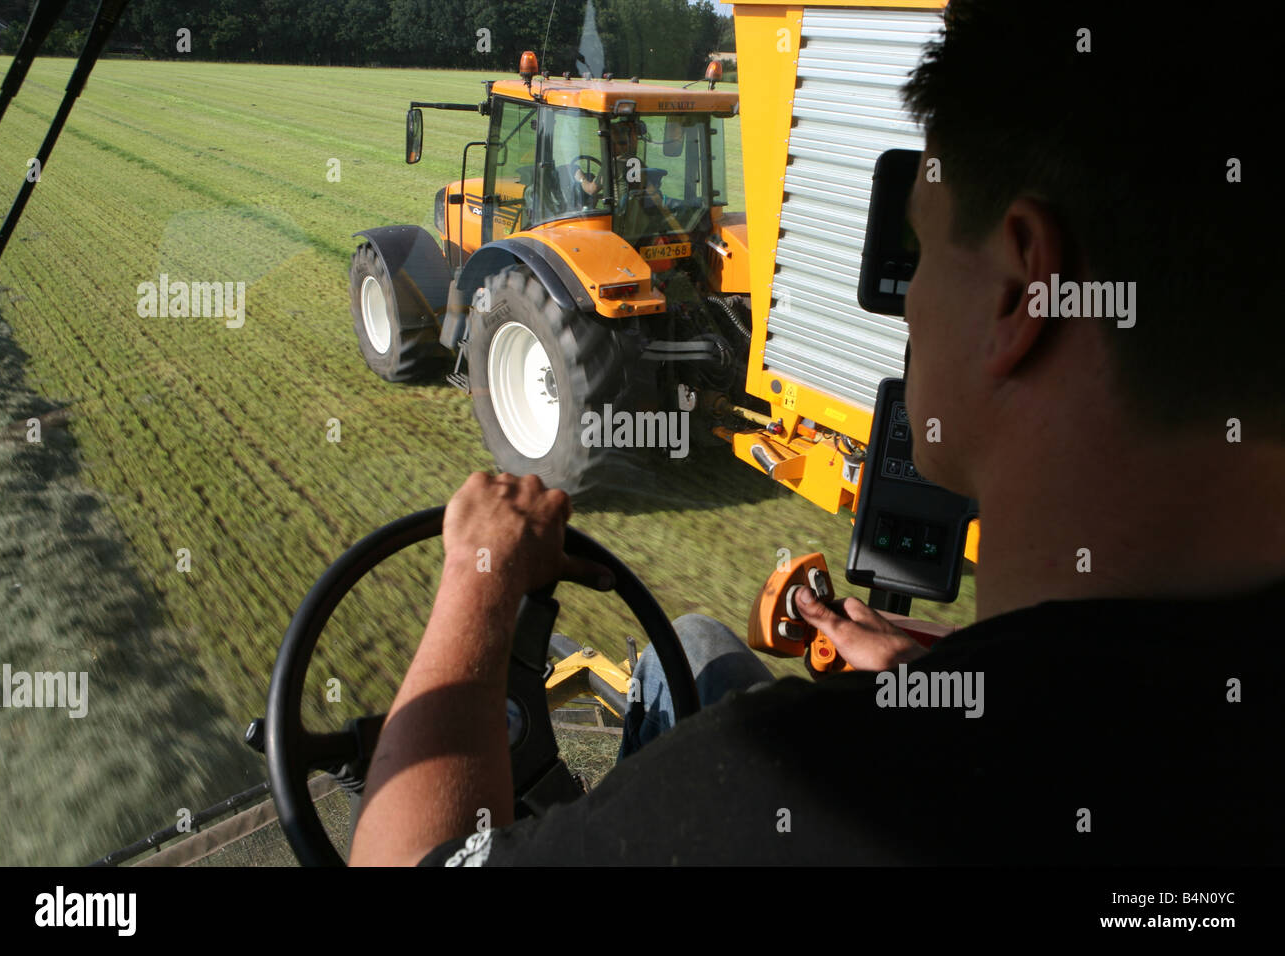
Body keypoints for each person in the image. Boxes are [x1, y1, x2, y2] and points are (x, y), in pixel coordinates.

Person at [349, 0, 1283, 866]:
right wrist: (947, 667)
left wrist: (478, 578)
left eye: (917, 244)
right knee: (704, 638)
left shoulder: (776, 787)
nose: (903, 297)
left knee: (698, 649)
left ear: (1020, 287)